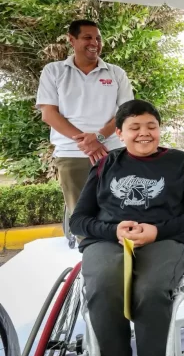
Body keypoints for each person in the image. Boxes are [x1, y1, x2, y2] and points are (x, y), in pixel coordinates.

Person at [69, 100, 184, 356]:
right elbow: (78, 220)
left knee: (151, 290)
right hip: (108, 240)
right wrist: (113, 231)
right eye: (134, 127)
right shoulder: (105, 164)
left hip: (164, 239)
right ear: (119, 133)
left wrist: (157, 231)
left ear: (159, 129)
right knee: (103, 285)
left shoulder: (180, 162)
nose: (144, 133)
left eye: (151, 126)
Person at [37, 19, 134, 244]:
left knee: (120, 207)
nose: (95, 43)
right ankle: (91, 262)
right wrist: (86, 142)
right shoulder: (53, 71)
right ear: (72, 40)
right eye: (87, 37)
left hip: (113, 152)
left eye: (98, 38)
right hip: (72, 154)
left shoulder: (116, 73)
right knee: (81, 213)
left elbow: (126, 112)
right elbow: (49, 114)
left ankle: (121, 260)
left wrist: (98, 137)